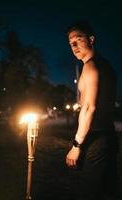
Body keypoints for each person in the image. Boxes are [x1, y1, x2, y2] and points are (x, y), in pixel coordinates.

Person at [66, 20, 118, 200]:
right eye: (70, 42)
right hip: (108, 135)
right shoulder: (106, 65)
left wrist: (77, 145)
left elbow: (89, 108)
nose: (73, 45)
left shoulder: (90, 67)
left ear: (91, 39)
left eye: (78, 39)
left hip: (95, 139)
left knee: (88, 193)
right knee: (107, 191)